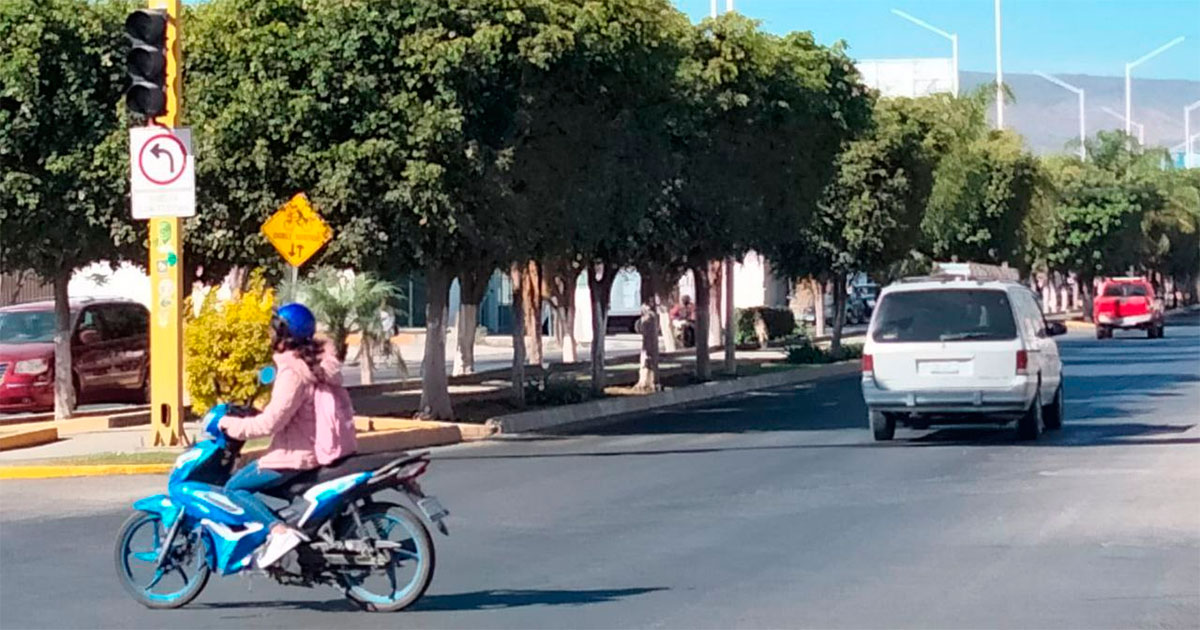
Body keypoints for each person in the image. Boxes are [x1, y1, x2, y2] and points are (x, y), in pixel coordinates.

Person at [219, 302, 355, 568]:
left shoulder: (293, 372)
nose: (269, 334)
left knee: (234, 489)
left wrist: (230, 425)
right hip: (321, 450)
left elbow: (271, 423)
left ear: (283, 334)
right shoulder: (317, 363)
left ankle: (278, 532)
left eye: (273, 329)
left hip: (295, 457)